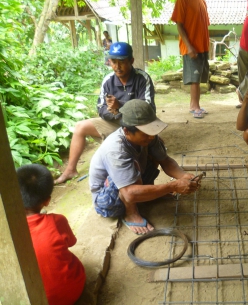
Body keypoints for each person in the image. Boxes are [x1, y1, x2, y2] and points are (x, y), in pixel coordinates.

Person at [89, 99, 200, 235]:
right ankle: (131, 213)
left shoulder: (149, 138)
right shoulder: (115, 149)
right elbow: (129, 193)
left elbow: (165, 160)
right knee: (130, 175)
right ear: (127, 131)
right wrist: (172, 186)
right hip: (107, 200)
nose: (151, 136)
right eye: (146, 133)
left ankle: (147, 194)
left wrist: (183, 176)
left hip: (130, 182)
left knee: (154, 152)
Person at [55, 42, 156, 184]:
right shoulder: (108, 80)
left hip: (137, 126)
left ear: (131, 61)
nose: (117, 66)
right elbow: (101, 108)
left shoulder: (142, 78)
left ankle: (138, 178)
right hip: (115, 122)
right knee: (80, 126)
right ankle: (70, 170)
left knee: (140, 150)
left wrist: (119, 106)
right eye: (113, 62)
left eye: (122, 62)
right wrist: (114, 113)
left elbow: (147, 108)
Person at [17, 164, 86, 305]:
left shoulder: (10, 232)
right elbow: (71, 242)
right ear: (47, 200)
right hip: (73, 289)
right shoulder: (57, 221)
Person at [171, 0, 210, 119]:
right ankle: (194, 107)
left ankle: (196, 105)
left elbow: (203, 25)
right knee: (194, 78)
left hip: (202, 46)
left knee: (198, 78)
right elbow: (179, 26)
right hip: (191, 47)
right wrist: (189, 47)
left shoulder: (202, 2)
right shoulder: (182, 0)